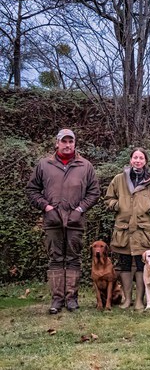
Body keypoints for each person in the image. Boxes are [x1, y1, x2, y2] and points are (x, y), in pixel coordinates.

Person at [25, 128, 100, 313]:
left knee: (74, 259)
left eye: (70, 141)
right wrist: (46, 207)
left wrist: (80, 209)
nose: (67, 145)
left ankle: (72, 299)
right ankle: (57, 300)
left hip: (75, 221)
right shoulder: (44, 165)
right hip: (53, 221)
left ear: (75, 143)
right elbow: (32, 190)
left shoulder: (85, 166)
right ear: (57, 143)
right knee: (55, 259)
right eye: (64, 141)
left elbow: (94, 193)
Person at [105, 148, 150, 310]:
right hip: (123, 229)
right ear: (130, 160)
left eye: (141, 158)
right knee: (124, 264)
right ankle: (127, 299)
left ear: (145, 161)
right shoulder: (119, 179)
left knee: (141, 265)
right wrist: (118, 205)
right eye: (135, 157)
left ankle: (139, 300)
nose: (138, 160)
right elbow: (108, 198)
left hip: (142, 230)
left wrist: (149, 207)